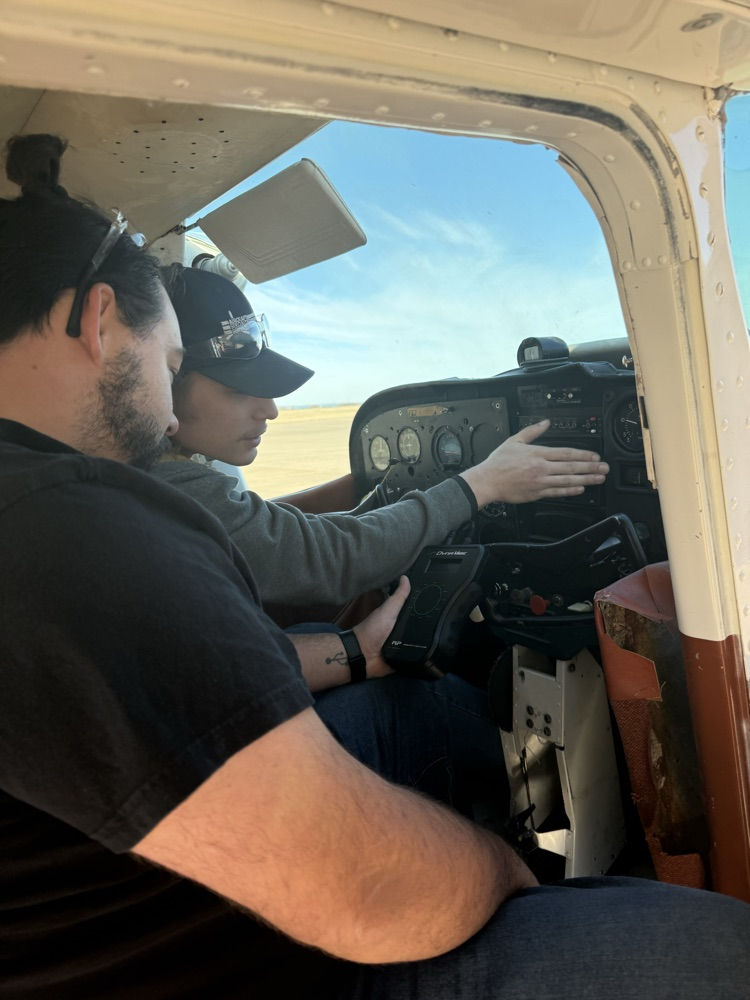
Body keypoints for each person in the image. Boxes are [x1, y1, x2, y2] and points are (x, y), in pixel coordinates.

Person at [1, 134, 748, 1000]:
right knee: (721, 952)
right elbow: (367, 893)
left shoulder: (48, 508)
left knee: (419, 706)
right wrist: (505, 874)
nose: (168, 411)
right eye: (171, 366)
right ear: (98, 324)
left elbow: (176, 660)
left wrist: (366, 604)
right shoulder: (67, 524)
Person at [154, 264, 611, 609]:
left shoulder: (168, 474)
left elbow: (263, 529)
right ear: (164, 380)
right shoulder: (171, 491)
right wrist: (482, 483)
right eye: (238, 391)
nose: (270, 410)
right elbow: (333, 557)